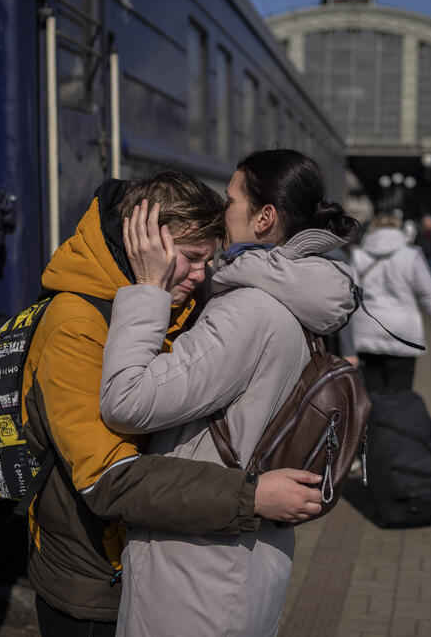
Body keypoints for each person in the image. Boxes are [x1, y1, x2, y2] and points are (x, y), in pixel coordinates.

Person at [21, 173, 323, 635]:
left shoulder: (178, 298)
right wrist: (252, 496)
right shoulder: (75, 323)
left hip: (153, 568)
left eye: (211, 259)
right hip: (96, 584)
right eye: (192, 259)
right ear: (145, 244)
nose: (204, 275)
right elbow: (110, 481)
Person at [98, 150, 359, 636]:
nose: (222, 211)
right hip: (246, 559)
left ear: (264, 218)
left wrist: (149, 289)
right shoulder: (295, 309)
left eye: (230, 199)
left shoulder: (248, 312)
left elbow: (126, 401)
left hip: (198, 575)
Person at [350, 213, 431, 393]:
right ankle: (396, 421)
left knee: (370, 393)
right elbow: (429, 293)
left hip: (367, 330)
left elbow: (350, 293)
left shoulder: (359, 255)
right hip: (402, 334)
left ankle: (374, 421)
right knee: (400, 393)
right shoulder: (411, 255)